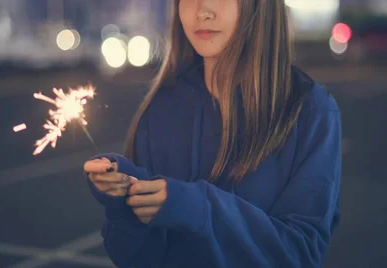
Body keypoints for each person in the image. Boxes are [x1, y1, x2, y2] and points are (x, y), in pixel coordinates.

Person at [83, 0, 342, 267]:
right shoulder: (160, 107)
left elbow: (300, 254)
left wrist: (197, 208)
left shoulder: (310, 111)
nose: (202, 11)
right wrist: (125, 199)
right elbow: (134, 258)